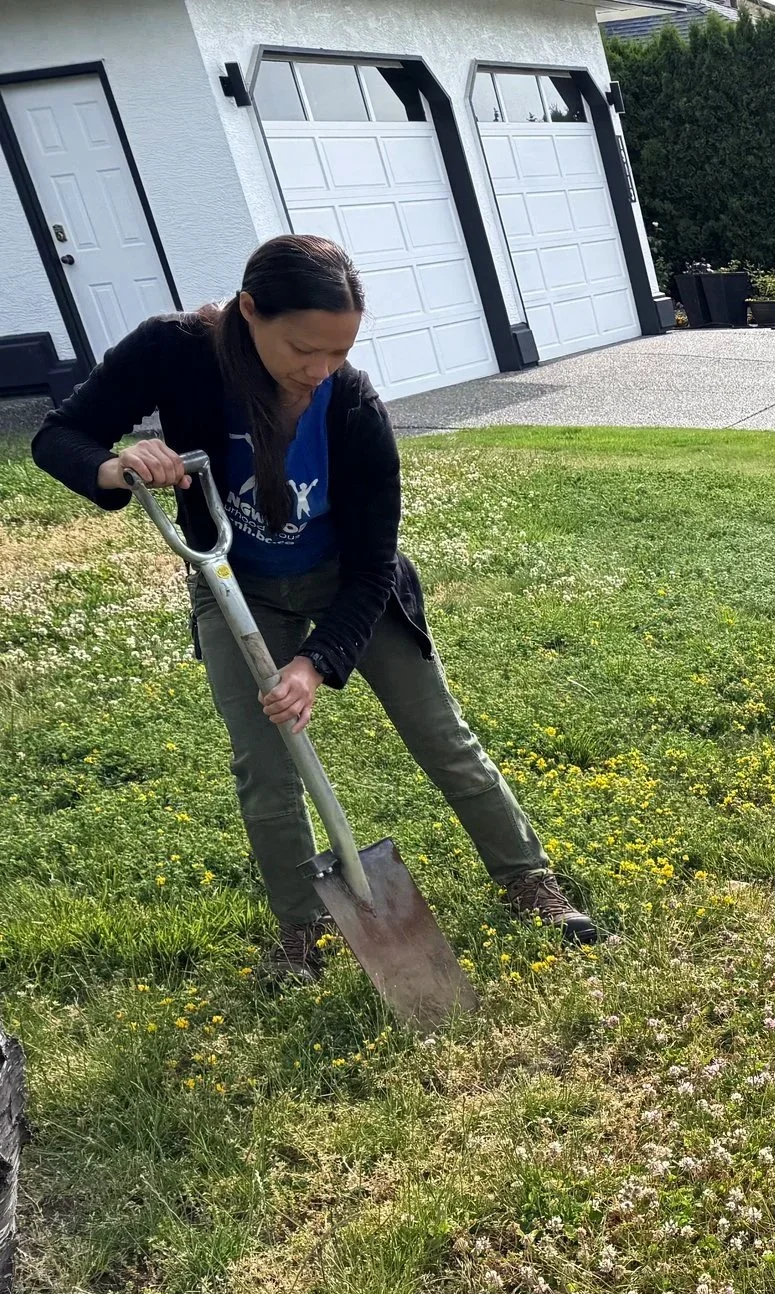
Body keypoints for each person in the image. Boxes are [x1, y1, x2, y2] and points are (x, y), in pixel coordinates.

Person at [32, 232, 598, 975]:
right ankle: (304, 930)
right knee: (264, 768)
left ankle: (529, 880)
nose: (320, 370)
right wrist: (115, 464)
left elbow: (371, 569)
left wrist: (315, 663)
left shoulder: (354, 408)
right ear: (249, 311)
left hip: (345, 581)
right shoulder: (174, 351)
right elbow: (57, 435)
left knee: (441, 736)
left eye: (339, 352)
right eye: (304, 349)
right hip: (238, 586)